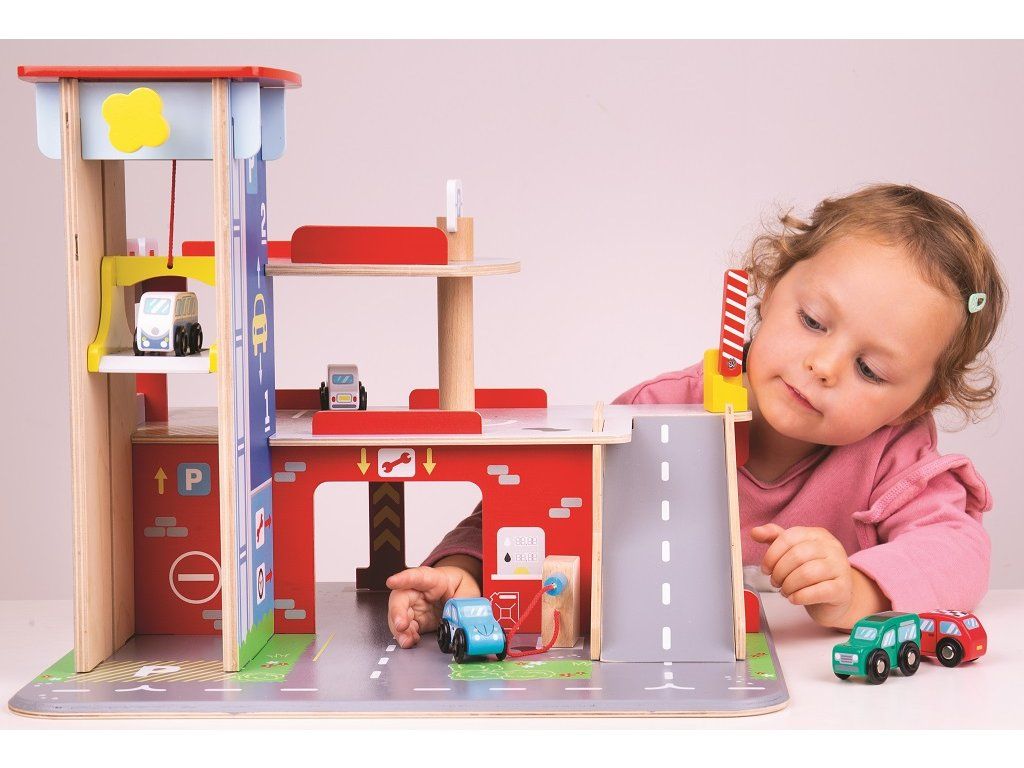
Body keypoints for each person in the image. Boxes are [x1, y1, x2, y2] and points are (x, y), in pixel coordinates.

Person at [386, 184, 1006, 648]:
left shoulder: (896, 456)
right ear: (770, 286)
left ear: (918, 401)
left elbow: (959, 551)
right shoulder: (658, 412)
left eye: (870, 369)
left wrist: (858, 589)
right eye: (813, 321)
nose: (823, 365)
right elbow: (528, 505)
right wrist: (461, 573)